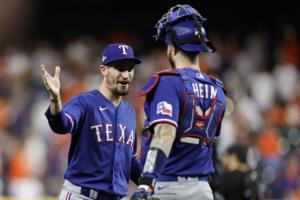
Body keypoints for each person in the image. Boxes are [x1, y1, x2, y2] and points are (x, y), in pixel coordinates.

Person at [131, 4, 227, 200]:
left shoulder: (169, 82)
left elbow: (165, 133)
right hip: (203, 189)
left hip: (170, 188)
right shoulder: (218, 89)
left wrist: (146, 182)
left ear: (172, 47)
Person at [41, 43, 142, 200]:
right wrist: (55, 99)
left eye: (130, 69)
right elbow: (61, 125)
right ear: (103, 70)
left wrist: (151, 185)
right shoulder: (84, 102)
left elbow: (130, 160)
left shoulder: (129, 112)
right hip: (81, 195)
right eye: (120, 68)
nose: (126, 75)